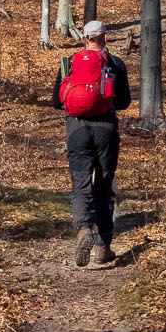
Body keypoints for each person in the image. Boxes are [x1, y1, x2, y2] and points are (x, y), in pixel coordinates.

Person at [51, 20, 131, 268]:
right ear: (104, 38)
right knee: (104, 187)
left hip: (76, 130)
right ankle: (103, 247)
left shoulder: (68, 64)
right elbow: (125, 101)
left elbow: (56, 101)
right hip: (106, 130)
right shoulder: (115, 64)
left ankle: (84, 230)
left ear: (84, 39)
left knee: (81, 185)